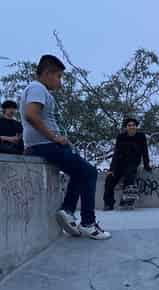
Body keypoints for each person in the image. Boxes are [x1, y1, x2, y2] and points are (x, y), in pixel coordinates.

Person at [20, 54, 111, 240]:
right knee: (90, 172)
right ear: (47, 73)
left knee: (80, 172)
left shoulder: (40, 90)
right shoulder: (37, 88)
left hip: (46, 144)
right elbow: (31, 115)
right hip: (44, 145)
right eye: (59, 76)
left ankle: (68, 211)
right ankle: (88, 223)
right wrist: (54, 137)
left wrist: (62, 138)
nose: (60, 82)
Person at [103, 118, 152, 210]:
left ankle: (126, 202)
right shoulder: (121, 137)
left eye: (133, 125)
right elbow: (116, 153)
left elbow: (145, 152)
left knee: (129, 176)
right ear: (126, 127)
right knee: (109, 179)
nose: (131, 127)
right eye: (129, 125)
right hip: (120, 162)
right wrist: (111, 169)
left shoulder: (141, 137)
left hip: (133, 162)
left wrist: (146, 165)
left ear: (136, 127)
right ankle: (108, 203)